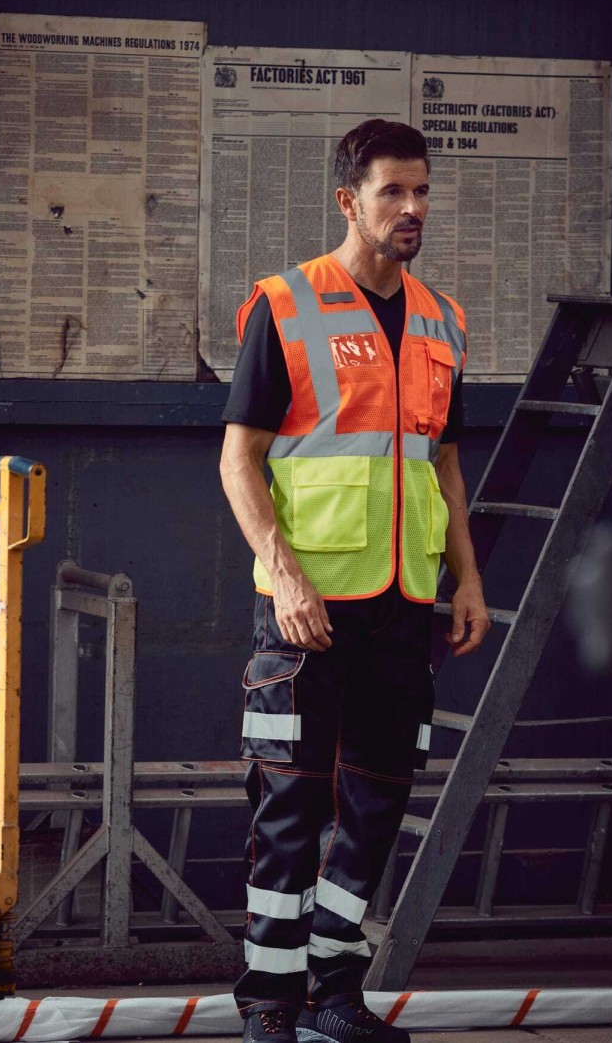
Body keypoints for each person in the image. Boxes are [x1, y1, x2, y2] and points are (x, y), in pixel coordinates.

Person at [219, 119, 490, 1043]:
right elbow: (239, 463)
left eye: (422, 191)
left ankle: (335, 989)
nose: (413, 208)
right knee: (291, 805)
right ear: (349, 200)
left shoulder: (443, 320)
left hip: (404, 608)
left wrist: (467, 579)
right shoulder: (286, 305)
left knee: (377, 806)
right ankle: (268, 1001)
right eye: (393, 193)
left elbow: (443, 466)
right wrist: (284, 577)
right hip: (307, 612)